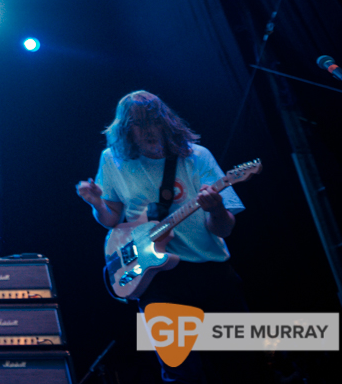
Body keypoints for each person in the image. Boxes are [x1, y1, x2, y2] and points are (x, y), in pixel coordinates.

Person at [76, 90, 246, 383]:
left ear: (167, 122)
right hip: (160, 280)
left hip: (211, 271)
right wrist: (97, 203)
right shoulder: (113, 160)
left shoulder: (196, 157)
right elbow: (111, 220)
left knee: (238, 365)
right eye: (139, 124)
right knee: (181, 371)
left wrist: (216, 209)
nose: (149, 130)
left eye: (154, 121)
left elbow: (224, 229)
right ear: (126, 130)